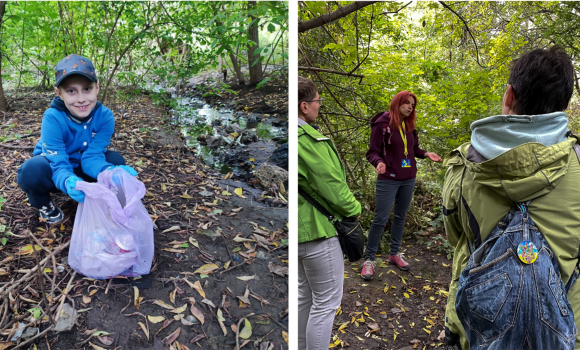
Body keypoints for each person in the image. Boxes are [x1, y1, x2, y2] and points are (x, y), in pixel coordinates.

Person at [442, 45, 580, 349]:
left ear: (509, 95)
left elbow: (455, 237)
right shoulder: (578, 164)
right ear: (565, 104)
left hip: (480, 328)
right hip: (564, 329)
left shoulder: (465, 165)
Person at [17, 54, 137, 224]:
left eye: (87, 89)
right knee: (30, 171)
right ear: (60, 93)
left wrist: (109, 173)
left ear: (97, 88)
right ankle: (44, 206)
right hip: (55, 169)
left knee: (116, 161)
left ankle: (103, 200)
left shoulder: (105, 117)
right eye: (71, 91)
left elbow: (93, 156)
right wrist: (68, 181)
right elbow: (57, 162)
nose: (81, 99)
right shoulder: (52, 118)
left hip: (84, 166)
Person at [298, 76, 361, 350]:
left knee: (304, 298)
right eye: (317, 101)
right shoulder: (307, 139)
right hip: (317, 232)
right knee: (325, 305)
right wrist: (355, 210)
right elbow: (332, 187)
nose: (320, 105)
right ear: (304, 106)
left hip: (298, 233)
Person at [362, 91, 442, 279]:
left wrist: (426, 154)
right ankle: (369, 260)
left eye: (412, 105)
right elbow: (372, 152)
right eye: (407, 103)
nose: (410, 107)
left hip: (408, 178)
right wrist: (378, 162)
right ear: (397, 103)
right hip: (388, 178)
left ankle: (394, 253)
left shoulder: (410, 125)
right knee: (380, 219)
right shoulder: (383, 124)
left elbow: (413, 149)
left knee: (400, 216)